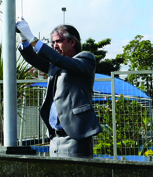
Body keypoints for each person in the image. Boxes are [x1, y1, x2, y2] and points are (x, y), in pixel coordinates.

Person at [15, 18, 100, 157]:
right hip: (54, 138)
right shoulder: (55, 66)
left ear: (72, 42)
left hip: (75, 138)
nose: (55, 45)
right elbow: (33, 58)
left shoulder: (86, 60)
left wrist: (32, 38)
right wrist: (24, 38)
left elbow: (60, 60)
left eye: (58, 41)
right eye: (53, 42)